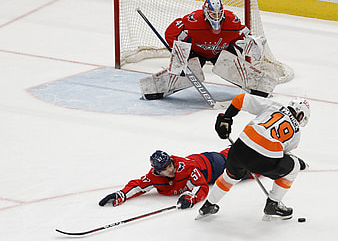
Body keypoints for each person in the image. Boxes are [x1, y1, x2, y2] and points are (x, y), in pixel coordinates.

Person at [197, 93, 310, 221]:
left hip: (239, 149)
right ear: (300, 115)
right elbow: (283, 155)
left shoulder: (274, 106)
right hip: (264, 161)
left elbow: (240, 99)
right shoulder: (297, 133)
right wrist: (297, 163)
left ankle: (208, 205)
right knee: (293, 167)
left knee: (230, 176)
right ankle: (273, 204)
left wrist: (227, 118)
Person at [139, 0, 277, 101]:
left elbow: (244, 34)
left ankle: (260, 89)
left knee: (234, 67)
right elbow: (171, 32)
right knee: (185, 71)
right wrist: (177, 49)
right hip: (197, 52)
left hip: (222, 51)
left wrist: (251, 42)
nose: (216, 17)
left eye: (218, 14)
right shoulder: (193, 21)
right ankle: (155, 89)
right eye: (212, 14)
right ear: (205, 12)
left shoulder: (232, 21)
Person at [99, 148, 251, 209]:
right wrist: (122, 194)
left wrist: (191, 197)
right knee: (237, 155)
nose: (171, 169)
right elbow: (138, 185)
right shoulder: (153, 177)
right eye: (165, 168)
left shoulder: (185, 168)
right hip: (205, 162)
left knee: (252, 168)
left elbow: (202, 186)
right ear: (158, 171)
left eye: (170, 164)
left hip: (213, 165)